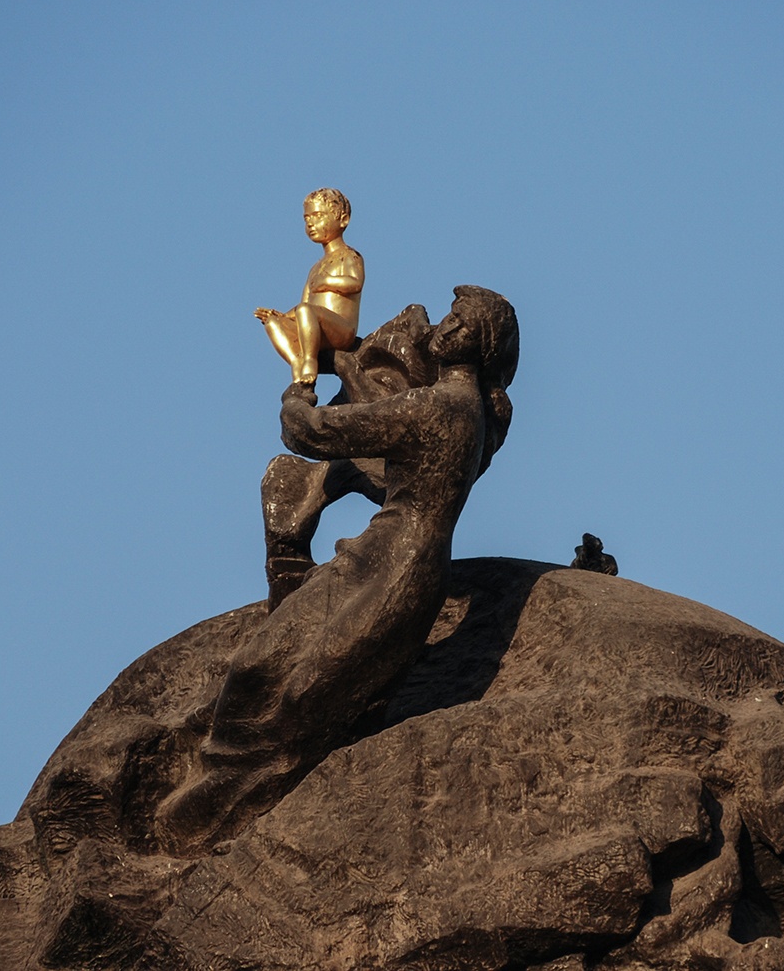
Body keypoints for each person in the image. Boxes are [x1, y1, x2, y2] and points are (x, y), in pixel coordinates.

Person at [157, 287, 518, 855]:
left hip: (403, 570)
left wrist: (300, 382)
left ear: (484, 345)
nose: (446, 327)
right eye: (450, 317)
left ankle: (222, 821)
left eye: (462, 324)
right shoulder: (446, 405)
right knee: (256, 665)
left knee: (307, 696)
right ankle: (212, 798)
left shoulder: (442, 407)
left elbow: (313, 433)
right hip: (371, 552)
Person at [254, 188, 364, 384]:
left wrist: (328, 282)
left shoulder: (349, 255)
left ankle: (309, 361)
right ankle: (297, 362)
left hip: (341, 329)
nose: (310, 223)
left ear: (343, 219)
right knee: (273, 323)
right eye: (307, 218)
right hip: (313, 328)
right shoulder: (315, 268)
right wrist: (281, 316)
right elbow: (303, 304)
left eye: (318, 216)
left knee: (306, 310)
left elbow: (355, 283)